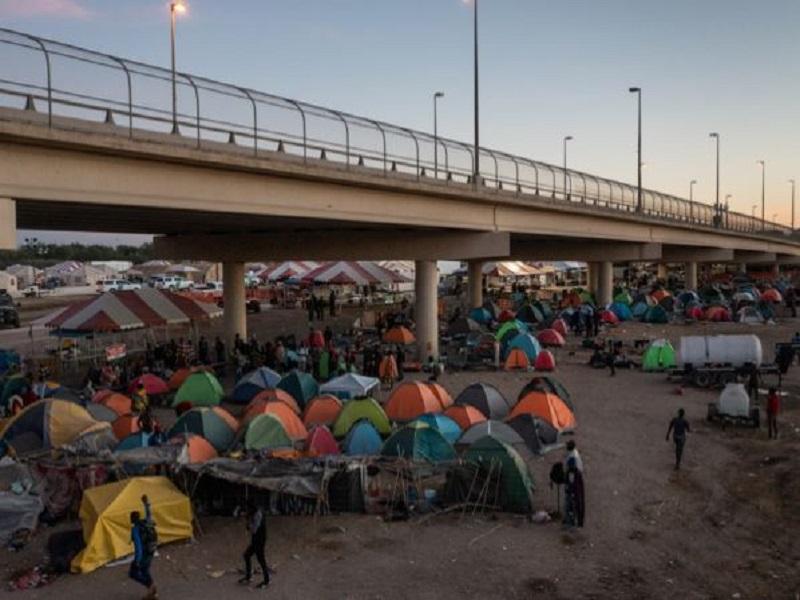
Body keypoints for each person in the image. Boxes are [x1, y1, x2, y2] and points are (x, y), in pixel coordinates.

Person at [130, 494, 158, 600]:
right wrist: (146, 504)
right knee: (145, 571)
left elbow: (138, 547)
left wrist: (137, 560)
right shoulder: (146, 523)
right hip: (151, 550)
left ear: (132, 520)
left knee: (133, 573)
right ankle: (152, 592)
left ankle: (151, 587)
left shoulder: (136, 529)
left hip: (144, 554)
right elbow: (149, 514)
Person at [239, 502, 270, 589]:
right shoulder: (256, 513)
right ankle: (248, 576)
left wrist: (248, 525)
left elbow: (254, 529)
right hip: (256, 540)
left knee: (261, 560)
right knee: (247, 555)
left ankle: (266, 580)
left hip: (259, 540)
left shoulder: (257, 515)